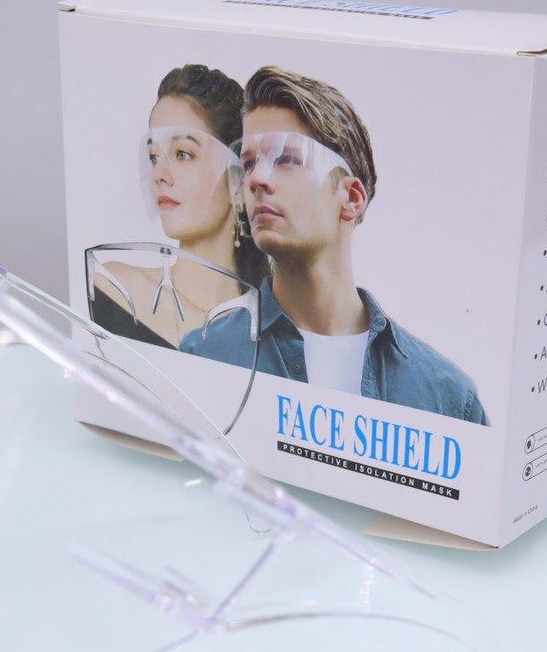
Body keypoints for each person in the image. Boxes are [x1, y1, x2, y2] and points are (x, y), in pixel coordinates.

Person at [180, 66, 488, 425]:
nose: (257, 178)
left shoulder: (448, 398)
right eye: (248, 163)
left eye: (287, 159)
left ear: (352, 198)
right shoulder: (204, 357)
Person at [89, 64, 268, 348]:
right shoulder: (117, 289)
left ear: (237, 181)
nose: (159, 174)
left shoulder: (269, 327)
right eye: (154, 156)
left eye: (183, 154)